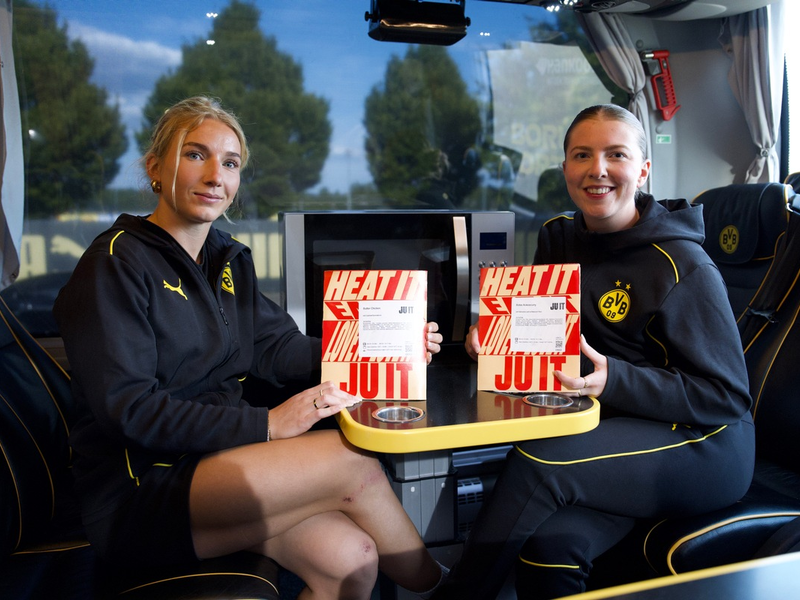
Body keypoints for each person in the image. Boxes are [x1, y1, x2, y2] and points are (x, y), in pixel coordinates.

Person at [53, 96, 447, 600]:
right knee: (354, 463)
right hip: (141, 488)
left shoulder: (227, 260)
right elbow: (127, 410)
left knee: (351, 561)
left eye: (231, 162)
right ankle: (444, 589)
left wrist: (383, 347)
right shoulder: (114, 263)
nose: (216, 174)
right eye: (196, 155)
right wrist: (267, 424)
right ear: (155, 168)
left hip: (215, 460)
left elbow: (277, 348)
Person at [435, 104, 755, 599]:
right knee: (549, 546)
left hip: (705, 443)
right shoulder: (559, 238)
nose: (597, 169)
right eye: (582, 155)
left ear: (643, 170)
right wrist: (496, 340)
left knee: (539, 461)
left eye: (616, 154)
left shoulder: (683, 264)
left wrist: (616, 380)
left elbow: (728, 397)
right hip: (612, 428)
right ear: (564, 169)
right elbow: (546, 338)